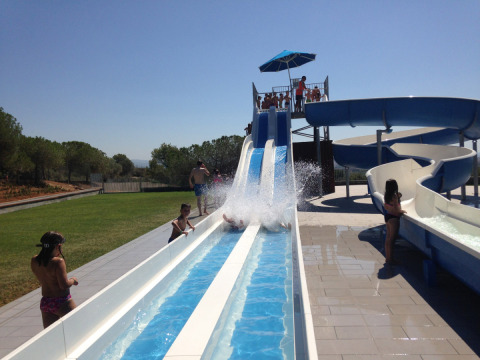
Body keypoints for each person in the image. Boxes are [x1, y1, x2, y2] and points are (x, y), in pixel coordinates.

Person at [31, 231, 78, 328]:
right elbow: (64, 285)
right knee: (79, 328)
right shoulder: (58, 262)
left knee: (52, 335)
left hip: (46, 303)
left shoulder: (35, 260)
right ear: (58, 246)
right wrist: (73, 280)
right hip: (62, 302)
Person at [383, 179, 407, 264]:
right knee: (392, 240)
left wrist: (398, 197)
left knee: (388, 238)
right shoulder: (394, 196)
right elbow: (396, 208)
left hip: (388, 217)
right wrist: (402, 211)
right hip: (394, 218)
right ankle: (391, 259)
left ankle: (388, 258)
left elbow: (386, 206)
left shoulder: (387, 195)